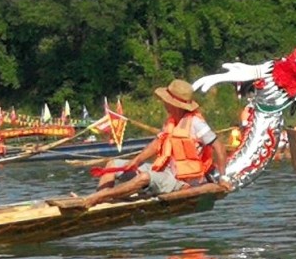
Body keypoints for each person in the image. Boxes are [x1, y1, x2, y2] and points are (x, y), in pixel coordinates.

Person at [79, 79, 229, 209]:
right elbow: (157, 143)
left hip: (182, 182)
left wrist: (223, 177)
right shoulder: (171, 121)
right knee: (112, 164)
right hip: (165, 172)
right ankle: (99, 201)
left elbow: (219, 147)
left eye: (166, 100)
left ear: (174, 104)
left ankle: (99, 197)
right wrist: (136, 161)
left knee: (144, 178)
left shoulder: (196, 123)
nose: (163, 102)